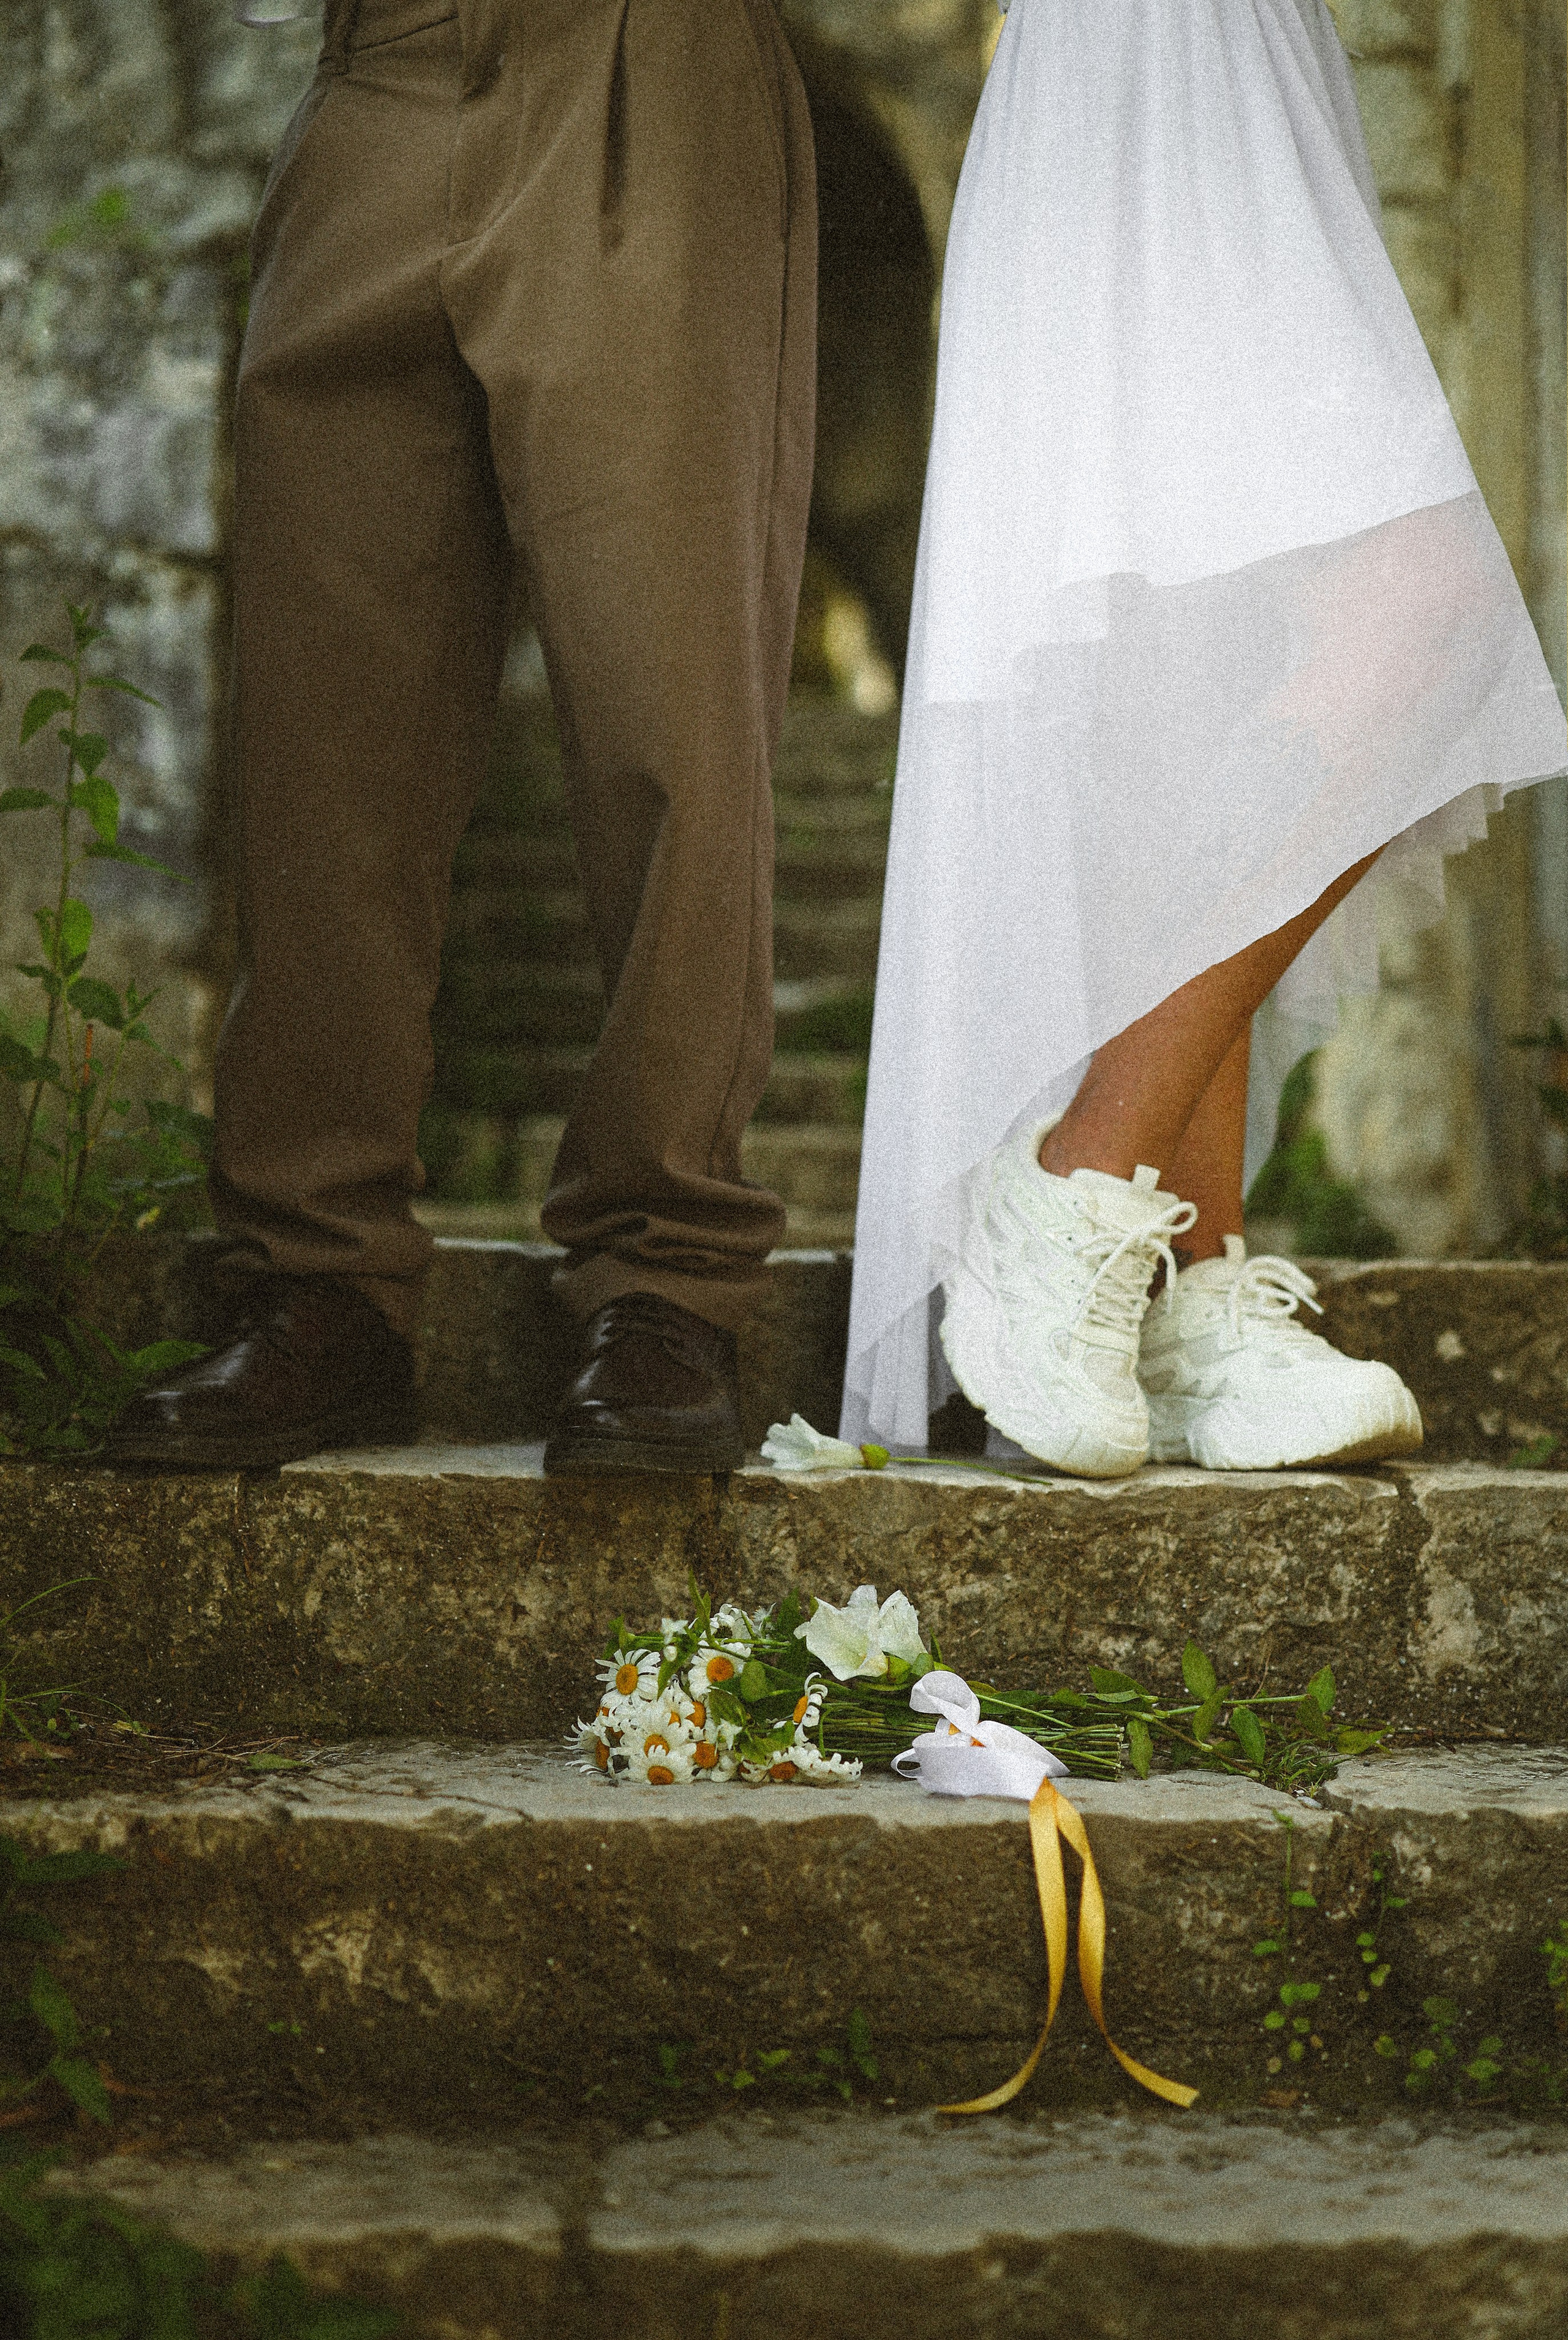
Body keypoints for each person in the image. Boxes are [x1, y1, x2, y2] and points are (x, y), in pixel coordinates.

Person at [842, 0, 1568, 1476]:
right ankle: (1068, 1186)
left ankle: (1182, 1281)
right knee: (1412, 606)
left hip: (1253, 57)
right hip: (1151, 51)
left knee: (1204, 641)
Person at [110, 0, 816, 1473]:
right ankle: (321, 1282)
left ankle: (668, 1272)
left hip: (643, 70)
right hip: (374, 68)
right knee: (323, 732)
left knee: (664, 712)